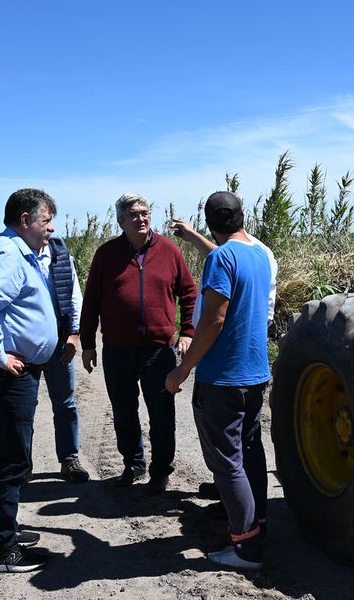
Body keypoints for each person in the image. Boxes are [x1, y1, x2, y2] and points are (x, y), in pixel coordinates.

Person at [166, 191, 278, 571]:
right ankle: (257, 524)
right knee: (250, 451)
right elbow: (225, 257)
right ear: (243, 216)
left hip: (223, 377)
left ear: (210, 221)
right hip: (255, 374)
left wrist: (182, 370)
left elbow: (214, 319)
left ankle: (246, 547)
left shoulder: (220, 258)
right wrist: (195, 237)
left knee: (227, 462)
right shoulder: (259, 255)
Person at [79, 193, 197, 494]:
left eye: (145, 212)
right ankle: (133, 464)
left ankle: (161, 470)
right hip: (117, 349)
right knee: (123, 411)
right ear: (121, 221)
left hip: (158, 350)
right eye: (134, 214)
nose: (141, 218)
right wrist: (88, 342)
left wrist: (187, 331)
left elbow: (189, 293)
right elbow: (91, 300)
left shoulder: (169, 250)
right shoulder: (107, 254)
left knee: (162, 413)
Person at [0, 188, 59, 573]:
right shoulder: (9, 253)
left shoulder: (21, 252)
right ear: (25, 220)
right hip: (6, 375)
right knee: (12, 459)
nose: (51, 228)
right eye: (46, 220)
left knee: (1, 453)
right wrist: (0, 355)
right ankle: (2, 551)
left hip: (9, 373)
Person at [35, 236, 89, 482]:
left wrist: (74, 334)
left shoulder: (61, 255)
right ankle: (21, 465)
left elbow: (74, 295)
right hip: (27, 343)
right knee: (24, 407)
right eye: (45, 220)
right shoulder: (16, 253)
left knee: (65, 403)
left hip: (59, 341)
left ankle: (69, 459)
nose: (50, 228)